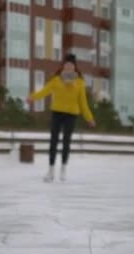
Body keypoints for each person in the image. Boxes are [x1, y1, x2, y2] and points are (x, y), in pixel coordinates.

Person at [27, 53, 96, 183]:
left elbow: (83, 103)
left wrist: (89, 118)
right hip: (57, 113)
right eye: (66, 64)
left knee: (66, 142)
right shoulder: (56, 80)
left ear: (75, 67)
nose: (68, 66)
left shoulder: (80, 83)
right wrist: (33, 97)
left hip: (71, 115)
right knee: (53, 142)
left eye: (71, 64)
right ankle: (51, 170)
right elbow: (45, 91)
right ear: (63, 65)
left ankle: (63, 169)